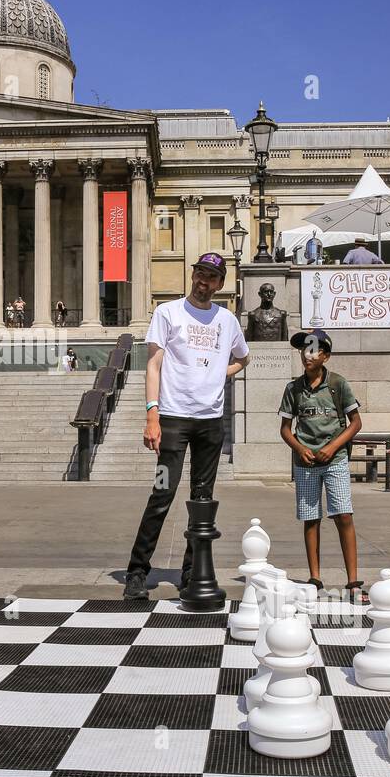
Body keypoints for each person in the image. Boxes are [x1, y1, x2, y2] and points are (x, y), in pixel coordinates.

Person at [123, 251, 251, 600]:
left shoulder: (227, 321)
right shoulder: (168, 313)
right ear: (192, 275)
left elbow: (243, 357)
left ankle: (192, 570)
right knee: (162, 493)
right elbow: (153, 365)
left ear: (220, 284)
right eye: (199, 274)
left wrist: (216, 374)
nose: (202, 281)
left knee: (203, 498)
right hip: (174, 421)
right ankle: (137, 571)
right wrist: (152, 415)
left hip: (210, 424)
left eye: (210, 277)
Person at [278, 329, 366, 603]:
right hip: (306, 462)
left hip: (335, 460)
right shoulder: (293, 388)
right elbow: (285, 429)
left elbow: (355, 423)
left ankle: (352, 581)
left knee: (343, 515)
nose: (308, 355)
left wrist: (332, 447)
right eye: (305, 350)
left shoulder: (338, 385)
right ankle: (315, 577)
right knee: (310, 518)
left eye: (314, 350)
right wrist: (300, 448)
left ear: (326, 356)